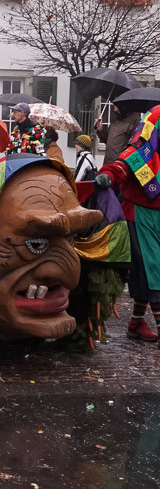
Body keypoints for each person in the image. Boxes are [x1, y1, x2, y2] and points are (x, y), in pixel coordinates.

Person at [96, 106, 160, 344]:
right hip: (144, 210)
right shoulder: (155, 117)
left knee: (148, 272)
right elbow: (134, 152)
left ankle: (135, 323)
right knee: (153, 269)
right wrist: (110, 174)